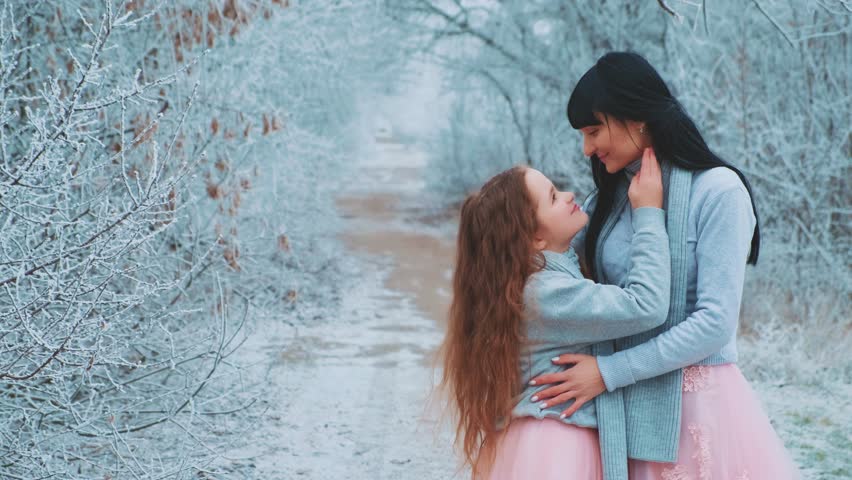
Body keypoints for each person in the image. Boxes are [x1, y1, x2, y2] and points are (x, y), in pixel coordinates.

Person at [528, 51, 800, 479]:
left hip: (698, 411)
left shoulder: (719, 192)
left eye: (594, 131)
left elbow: (715, 323)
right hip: (623, 411)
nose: (586, 149)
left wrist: (609, 372)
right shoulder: (607, 200)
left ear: (635, 118)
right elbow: (554, 272)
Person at [440, 149, 668, 480]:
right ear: (535, 237)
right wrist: (648, 213)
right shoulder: (547, 293)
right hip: (558, 447)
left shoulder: (537, 281)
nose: (569, 195)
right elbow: (647, 304)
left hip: (549, 439)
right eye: (553, 197)